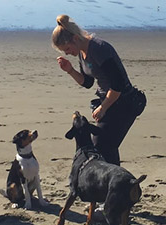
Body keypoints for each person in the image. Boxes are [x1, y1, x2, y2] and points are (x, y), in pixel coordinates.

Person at [52, 14, 146, 166]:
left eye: (67, 49)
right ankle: (116, 185)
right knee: (105, 148)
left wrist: (103, 108)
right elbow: (88, 82)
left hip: (124, 103)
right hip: (110, 102)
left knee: (102, 147)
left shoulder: (99, 48)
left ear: (75, 38)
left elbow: (118, 84)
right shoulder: (82, 52)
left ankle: (117, 185)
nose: (67, 53)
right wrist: (70, 70)